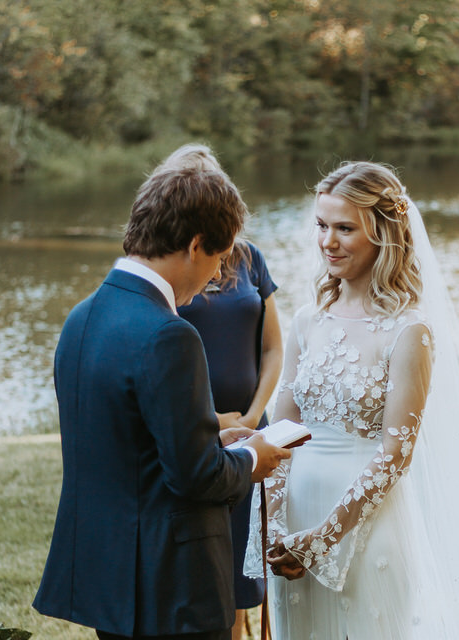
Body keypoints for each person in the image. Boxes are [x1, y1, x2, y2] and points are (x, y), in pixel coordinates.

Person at [244, 161, 459, 638]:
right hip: (294, 518)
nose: (327, 241)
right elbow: (279, 433)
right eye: (321, 225)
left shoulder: (409, 330)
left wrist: (325, 538)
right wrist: (275, 527)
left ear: (384, 234)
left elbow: (396, 454)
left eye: (344, 228)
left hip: (364, 526)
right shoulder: (309, 321)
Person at [33, 165, 292, 640]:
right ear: (196, 245)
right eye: (220, 257)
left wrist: (212, 435)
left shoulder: (82, 317)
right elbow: (196, 477)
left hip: (111, 580)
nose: (219, 273)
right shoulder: (170, 335)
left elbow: (127, 439)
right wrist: (254, 457)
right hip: (172, 589)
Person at [164, 144, 282, 640]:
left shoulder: (250, 258)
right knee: (225, 572)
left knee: (271, 560)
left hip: (256, 431)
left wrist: (253, 418)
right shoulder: (167, 268)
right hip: (203, 435)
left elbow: (274, 348)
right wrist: (215, 422)